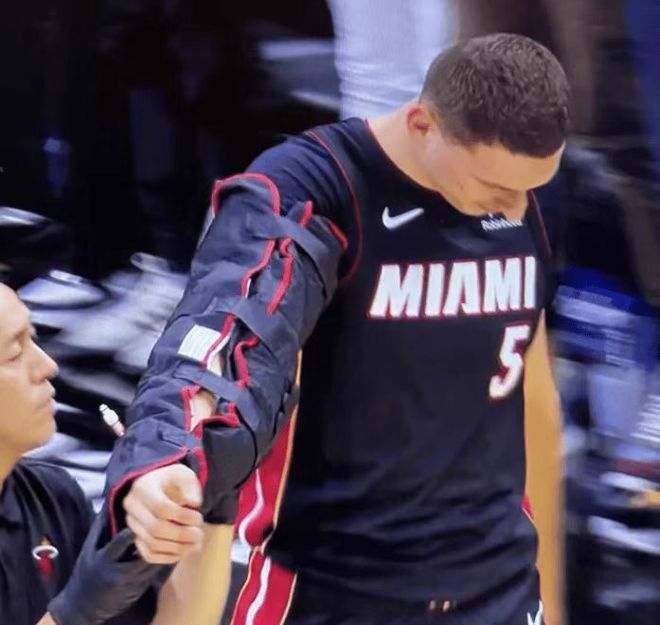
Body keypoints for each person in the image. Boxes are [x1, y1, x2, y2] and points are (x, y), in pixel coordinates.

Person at [48, 33, 568, 625]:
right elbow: (223, 343)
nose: (517, 209)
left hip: (499, 593)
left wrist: (553, 605)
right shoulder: (310, 191)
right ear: (422, 124)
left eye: (532, 189)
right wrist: (164, 458)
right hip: (329, 593)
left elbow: (534, 403)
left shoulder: (525, 194)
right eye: (497, 190)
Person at [0, 283, 93, 624]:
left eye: (34, 338)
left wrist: (216, 509)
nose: (48, 366)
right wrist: (84, 602)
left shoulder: (55, 499)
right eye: (15, 353)